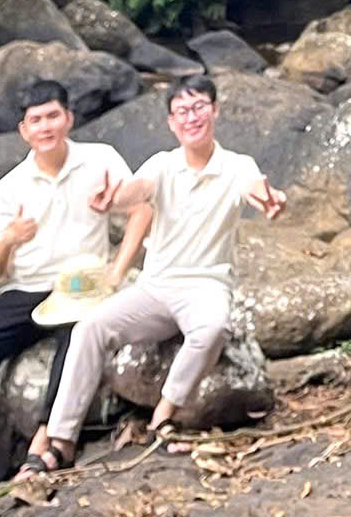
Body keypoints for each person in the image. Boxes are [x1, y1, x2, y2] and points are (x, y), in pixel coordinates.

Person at [33, 74, 284, 469]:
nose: (191, 117)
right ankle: (61, 439)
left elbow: (255, 189)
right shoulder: (163, 165)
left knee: (211, 329)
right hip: (155, 287)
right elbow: (138, 190)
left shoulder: (237, 166)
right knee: (89, 329)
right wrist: (112, 199)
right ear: (170, 122)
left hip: (206, 285)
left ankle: (164, 417)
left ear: (215, 110)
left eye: (199, 106)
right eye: (181, 111)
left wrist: (270, 200)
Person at [0, 81, 146, 501]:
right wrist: (9, 239)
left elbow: (141, 209)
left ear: (69, 119)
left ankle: (45, 441)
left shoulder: (100, 160)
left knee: (77, 337)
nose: (46, 127)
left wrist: (119, 268)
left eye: (53, 116)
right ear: (24, 130)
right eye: (36, 120)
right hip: (28, 289)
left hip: (82, 284)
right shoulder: (10, 188)